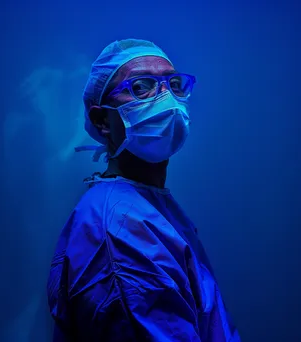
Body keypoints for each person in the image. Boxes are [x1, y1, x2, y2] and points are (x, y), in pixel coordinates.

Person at [47, 39, 241, 342]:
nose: (167, 99)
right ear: (102, 121)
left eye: (174, 84)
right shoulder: (120, 233)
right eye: (141, 87)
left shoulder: (145, 204)